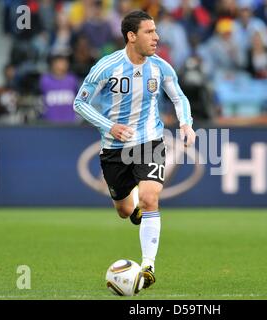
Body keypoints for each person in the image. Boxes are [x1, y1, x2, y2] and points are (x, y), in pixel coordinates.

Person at [73, 10, 195, 289]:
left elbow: (179, 97)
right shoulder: (107, 66)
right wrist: (109, 126)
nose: (156, 37)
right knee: (125, 210)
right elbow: (80, 104)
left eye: (156, 31)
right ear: (131, 36)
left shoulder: (161, 67)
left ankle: (148, 266)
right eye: (149, 32)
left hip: (149, 141)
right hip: (115, 148)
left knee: (151, 197)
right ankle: (136, 209)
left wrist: (186, 124)